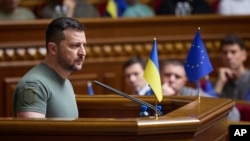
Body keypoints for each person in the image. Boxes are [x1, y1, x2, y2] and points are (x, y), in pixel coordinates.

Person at [12, 17, 86, 118]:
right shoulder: (34, 85)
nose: (83, 52)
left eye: (84, 45)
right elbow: (31, 132)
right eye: (75, 45)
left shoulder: (66, 82)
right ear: (53, 49)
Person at [161, 58, 240, 121]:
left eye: (177, 77)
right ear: (160, 76)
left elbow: (233, 114)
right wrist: (163, 100)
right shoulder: (149, 93)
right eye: (167, 75)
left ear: (184, 81)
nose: (171, 80)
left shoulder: (194, 95)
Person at [214, 34, 250, 101]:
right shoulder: (220, 81)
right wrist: (219, 84)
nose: (228, 56)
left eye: (233, 52)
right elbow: (209, 107)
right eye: (225, 53)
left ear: (244, 55)